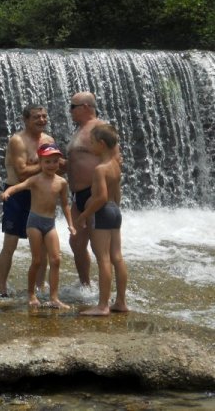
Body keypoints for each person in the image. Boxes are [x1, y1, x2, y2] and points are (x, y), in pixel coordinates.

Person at [0, 143, 75, 309]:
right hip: (34, 222)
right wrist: (7, 192)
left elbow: (65, 205)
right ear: (40, 162)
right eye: (47, 162)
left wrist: (71, 225)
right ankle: (31, 294)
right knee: (36, 260)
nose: (52, 165)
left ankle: (54, 297)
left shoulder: (62, 182)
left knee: (56, 260)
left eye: (55, 161)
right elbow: (18, 187)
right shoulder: (35, 180)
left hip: (50, 224)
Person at [0, 104, 56, 298]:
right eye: (36, 117)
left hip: (40, 194)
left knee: (43, 246)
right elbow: (22, 173)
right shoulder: (18, 141)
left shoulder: (48, 140)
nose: (41, 120)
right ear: (26, 120)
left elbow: (55, 168)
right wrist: (46, 163)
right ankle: (2, 288)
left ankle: (40, 287)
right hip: (17, 196)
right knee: (10, 243)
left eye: (44, 117)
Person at [76, 124, 129, 316]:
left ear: (101, 144)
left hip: (103, 212)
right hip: (115, 211)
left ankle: (103, 305)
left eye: (91, 143)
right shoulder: (116, 164)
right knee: (117, 257)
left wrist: (85, 214)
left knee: (103, 259)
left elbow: (101, 198)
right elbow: (116, 194)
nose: (90, 146)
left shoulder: (101, 169)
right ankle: (121, 302)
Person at [66, 92, 106, 286]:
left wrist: (106, 192)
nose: (70, 111)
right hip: (77, 196)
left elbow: (114, 161)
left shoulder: (100, 128)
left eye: (73, 107)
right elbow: (77, 162)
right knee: (76, 243)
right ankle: (85, 285)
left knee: (100, 247)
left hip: (94, 193)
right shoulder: (80, 130)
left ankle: (106, 295)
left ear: (86, 107)